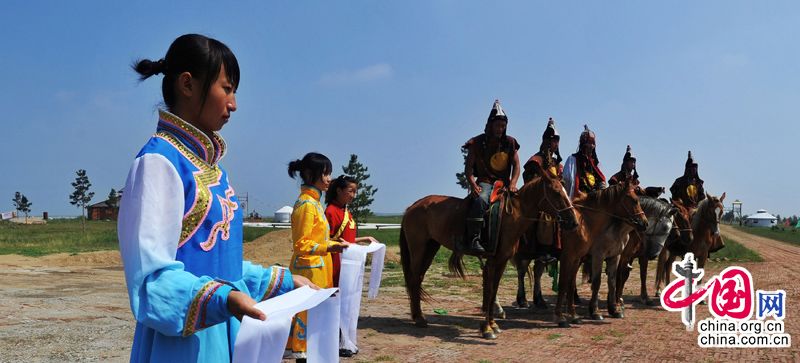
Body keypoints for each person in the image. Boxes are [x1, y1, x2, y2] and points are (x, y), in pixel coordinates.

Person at [118, 34, 315, 363]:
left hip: (225, 332)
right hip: (183, 345)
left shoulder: (215, 171)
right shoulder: (159, 162)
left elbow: (224, 265)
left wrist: (279, 281)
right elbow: (151, 282)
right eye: (227, 88)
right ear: (187, 85)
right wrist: (223, 299)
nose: (234, 103)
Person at [286, 153, 350, 361]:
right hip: (308, 272)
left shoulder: (315, 204)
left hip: (319, 271)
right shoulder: (306, 205)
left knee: (315, 325)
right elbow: (301, 244)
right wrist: (331, 247)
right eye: (325, 173)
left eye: (329, 173)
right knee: (306, 325)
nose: (329, 179)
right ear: (309, 174)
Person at [324, 174, 378, 357]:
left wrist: (364, 239)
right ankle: (337, 342)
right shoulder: (331, 211)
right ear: (339, 191)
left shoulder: (346, 211)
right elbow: (326, 240)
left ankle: (346, 339)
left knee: (349, 303)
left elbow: (347, 239)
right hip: (337, 264)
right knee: (339, 303)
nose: (353, 195)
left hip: (350, 265)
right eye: (350, 191)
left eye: (355, 191)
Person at [462, 99, 521, 253]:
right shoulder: (478, 142)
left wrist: (513, 183)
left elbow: (516, 165)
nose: (500, 129)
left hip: (505, 184)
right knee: (481, 200)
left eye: (503, 126)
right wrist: (473, 185)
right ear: (490, 125)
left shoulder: (510, 142)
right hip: (485, 182)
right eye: (497, 125)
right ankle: (474, 238)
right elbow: (468, 168)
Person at [521, 117, 563, 262]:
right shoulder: (536, 160)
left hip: (553, 199)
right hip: (537, 200)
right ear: (546, 141)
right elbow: (528, 178)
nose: (556, 144)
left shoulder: (557, 163)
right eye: (553, 140)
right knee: (546, 218)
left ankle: (560, 251)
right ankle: (542, 251)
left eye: (557, 141)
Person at [563, 125, 606, 199]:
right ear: (583, 145)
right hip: (578, 202)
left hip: (593, 203)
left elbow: (602, 182)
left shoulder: (596, 165)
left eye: (593, 143)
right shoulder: (572, 160)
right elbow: (567, 180)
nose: (591, 146)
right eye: (589, 143)